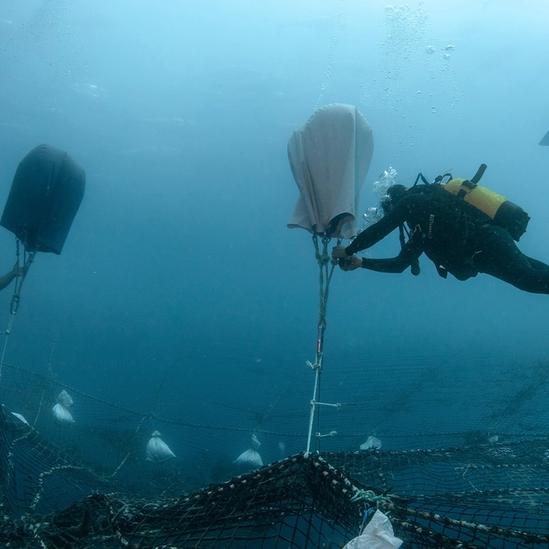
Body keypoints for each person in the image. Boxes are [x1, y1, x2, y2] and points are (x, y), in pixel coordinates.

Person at [332, 176, 549, 294]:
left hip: (486, 237)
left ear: (395, 203)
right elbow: (399, 265)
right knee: (527, 275)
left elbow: (381, 228)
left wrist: (350, 249)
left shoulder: (413, 202)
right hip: (480, 256)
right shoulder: (420, 231)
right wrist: (361, 262)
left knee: (526, 276)